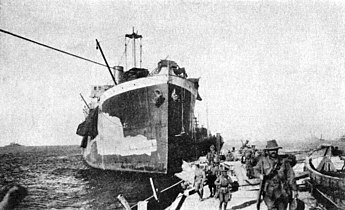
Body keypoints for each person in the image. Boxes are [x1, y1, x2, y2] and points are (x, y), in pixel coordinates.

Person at [253, 140, 298, 210]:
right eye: (271, 150)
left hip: (282, 191)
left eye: (275, 149)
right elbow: (255, 170)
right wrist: (259, 175)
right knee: (271, 208)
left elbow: (291, 176)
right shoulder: (263, 161)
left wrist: (294, 189)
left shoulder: (284, 161)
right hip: (269, 192)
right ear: (267, 151)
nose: (274, 151)